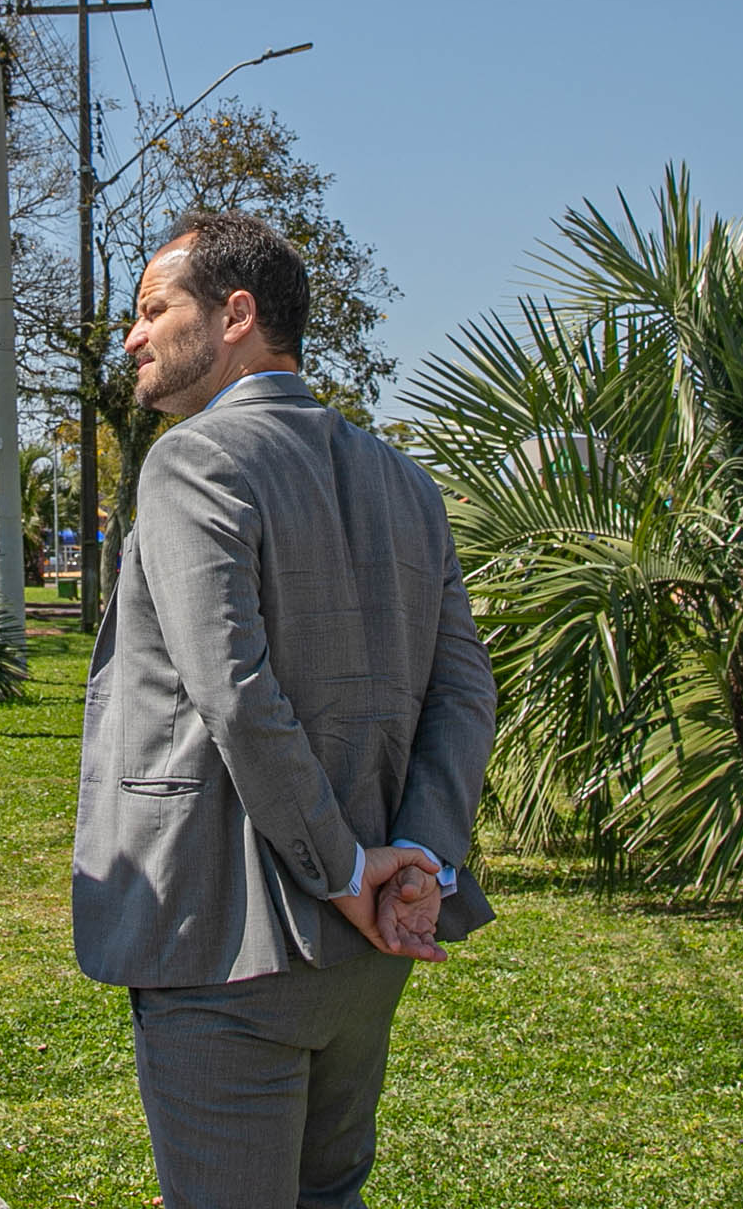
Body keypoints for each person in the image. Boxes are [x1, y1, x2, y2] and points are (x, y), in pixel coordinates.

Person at [73, 210, 498, 1209]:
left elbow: (236, 689)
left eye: (151, 309)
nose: (131, 335)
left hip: (224, 937)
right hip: (367, 952)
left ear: (235, 313)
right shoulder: (407, 480)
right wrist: (421, 862)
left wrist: (351, 872)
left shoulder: (191, 461)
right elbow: (464, 688)